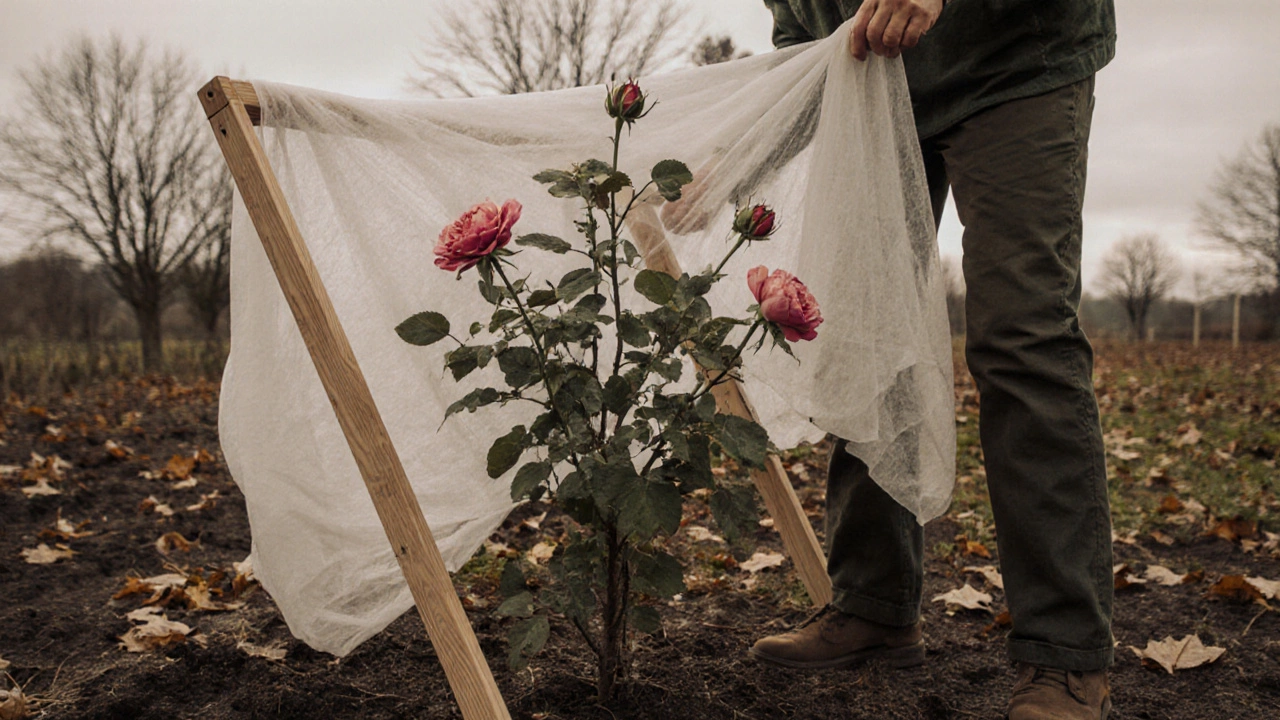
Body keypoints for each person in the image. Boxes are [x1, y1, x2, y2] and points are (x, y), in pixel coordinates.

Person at [747, 1, 1117, 719]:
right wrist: (734, 157)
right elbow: (802, 34)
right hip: (879, 89)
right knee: (863, 334)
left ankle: (1065, 655)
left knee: (1022, 337)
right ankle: (874, 606)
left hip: (1017, 58)